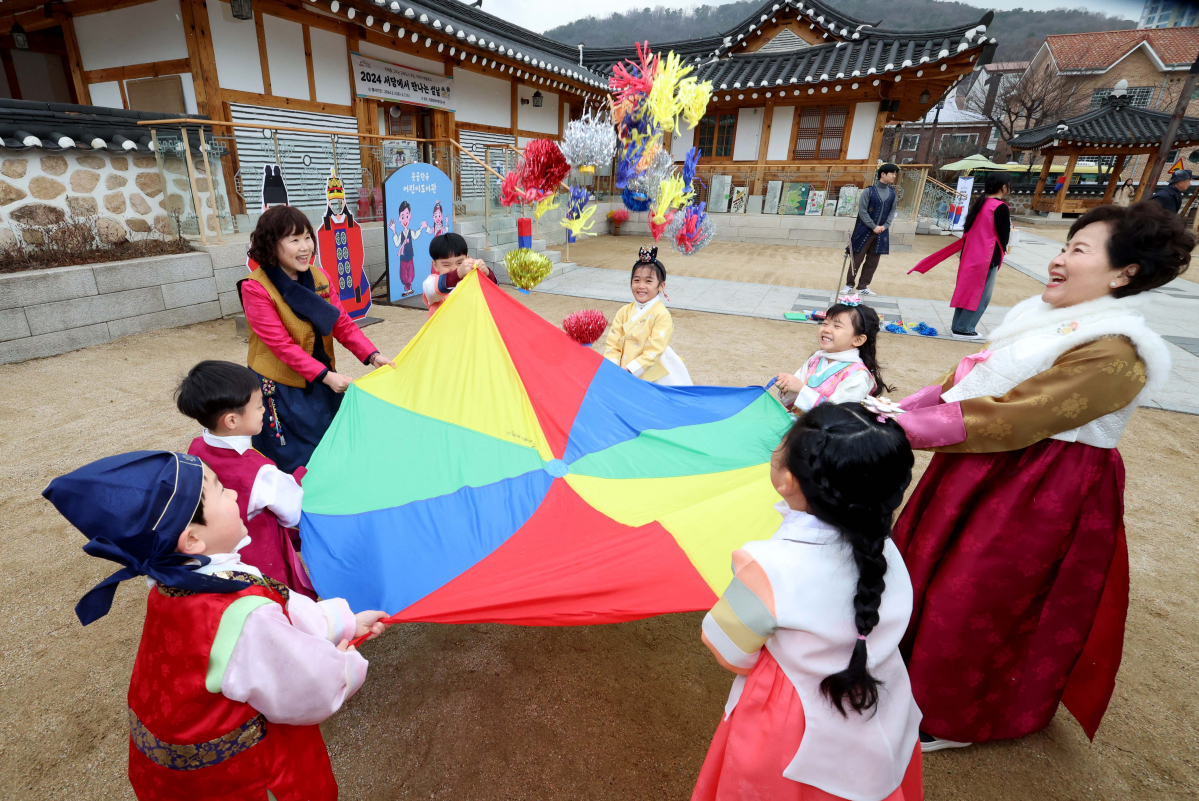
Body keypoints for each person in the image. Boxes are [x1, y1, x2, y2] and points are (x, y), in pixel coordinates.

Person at [890, 201, 1190, 751]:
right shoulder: (1047, 317)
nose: (1058, 259)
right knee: (926, 570)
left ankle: (951, 714)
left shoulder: (1119, 351)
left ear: (1126, 273)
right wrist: (900, 410)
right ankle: (902, 683)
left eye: (1078, 250)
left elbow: (1019, 413)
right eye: (1063, 245)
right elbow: (970, 376)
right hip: (979, 462)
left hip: (1039, 487)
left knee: (978, 593)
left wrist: (907, 428)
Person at [42, 450, 390, 800]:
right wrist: (343, 665)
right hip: (245, 777)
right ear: (193, 539)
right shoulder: (243, 616)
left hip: (177, 776)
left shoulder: (174, 582)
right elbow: (307, 687)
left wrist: (345, 623)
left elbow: (272, 608)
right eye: (221, 491)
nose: (236, 495)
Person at [692, 404, 922, 801]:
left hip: (791, 726)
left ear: (787, 480)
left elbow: (729, 650)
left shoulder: (765, 564)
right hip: (883, 709)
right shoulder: (885, 550)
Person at [239, 205, 394, 474]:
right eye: (294, 239)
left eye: (307, 237)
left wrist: (373, 356)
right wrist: (326, 376)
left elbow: (341, 323)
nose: (305, 247)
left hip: (321, 375)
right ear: (271, 245)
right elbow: (281, 347)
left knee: (331, 443)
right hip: (281, 384)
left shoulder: (319, 277)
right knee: (293, 456)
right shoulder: (255, 288)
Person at [176, 359, 316, 599]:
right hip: (259, 556)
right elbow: (292, 513)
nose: (264, 411)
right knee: (275, 600)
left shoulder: (197, 446)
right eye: (259, 406)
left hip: (217, 555)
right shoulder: (260, 471)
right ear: (232, 420)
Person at [909, 172, 1011, 340]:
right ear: (1003, 187)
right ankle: (964, 329)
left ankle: (958, 326)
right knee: (980, 294)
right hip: (987, 255)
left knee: (966, 290)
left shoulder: (981, 203)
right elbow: (1004, 234)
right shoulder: (999, 207)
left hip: (971, 253)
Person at [773, 303, 889, 413]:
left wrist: (801, 389)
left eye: (837, 326)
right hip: (798, 424)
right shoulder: (817, 358)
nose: (827, 329)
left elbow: (837, 415)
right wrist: (787, 387)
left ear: (858, 339)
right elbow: (794, 401)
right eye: (825, 323)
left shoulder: (858, 375)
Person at [603, 246, 692, 385]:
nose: (641, 286)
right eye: (636, 280)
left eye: (648, 281)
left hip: (650, 374)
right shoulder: (623, 311)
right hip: (621, 370)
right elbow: (613, 344)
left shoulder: (662, 315)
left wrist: (630, 369)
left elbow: (654, 350)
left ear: (661, 286)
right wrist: (613, 367)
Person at [844, 163, 899, 297]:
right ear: (883, 174)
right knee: (856, 258)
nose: (894, 176)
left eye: (895, 174)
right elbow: (862, 211)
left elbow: (892, 211)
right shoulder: (868, 191)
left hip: (881, 232)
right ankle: (849, 285)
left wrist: (884, 226)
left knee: (873, 261)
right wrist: (873, 226)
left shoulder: (892, 193)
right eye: (892, 173)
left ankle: (862, 286)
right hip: (864, 230)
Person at [422, 232, 496, 318]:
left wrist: (486, 273)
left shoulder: (472, 279)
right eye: (446, 265)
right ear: (435, 265)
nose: (454, 268)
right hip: (443, 331)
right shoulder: (432, 282)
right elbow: (432, 290)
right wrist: (457, 273)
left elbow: (493, 291)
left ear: (468, 259)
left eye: (460, 263)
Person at [388, 200, 430, 297]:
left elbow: (415, 236)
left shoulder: (410, 232)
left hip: (410, 256)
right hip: (403, 258)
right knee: (403, 274)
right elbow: (397, 243)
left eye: (407, 216)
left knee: (410, 273)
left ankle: (409, 287)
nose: (405, 219)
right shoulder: (401, 234)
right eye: (402, 217)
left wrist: (421, 228)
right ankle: (406, 288)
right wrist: (394, 231)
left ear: (410, 216)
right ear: (399, 218)